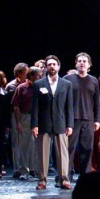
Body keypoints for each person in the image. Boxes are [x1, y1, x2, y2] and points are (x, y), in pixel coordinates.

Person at [31, 55, 74, 190]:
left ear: (58, 66)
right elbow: (35, 107)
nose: (52, 66)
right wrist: (34, 125)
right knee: (43, 154)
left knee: (63, 153)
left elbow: (69, 106)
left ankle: (64, 180)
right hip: (44, 123)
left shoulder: (66, 84)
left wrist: (70, 124)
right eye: (49, 64)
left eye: (54, 64)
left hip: (61, 122)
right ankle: (42, 180)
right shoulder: (38, 84)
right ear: (46, 67)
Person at [64, 52, 100, 180]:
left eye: (84, 61)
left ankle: (85, 176)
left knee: (87, 149)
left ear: (89, 65)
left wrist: (97, 120)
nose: (82, 63)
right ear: (76, 63)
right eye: (79, 61)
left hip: (88, 119)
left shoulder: (94, 80)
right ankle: (65, 175)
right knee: (69, 148)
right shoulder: (68, 79)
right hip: (72, 119)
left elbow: (97, 102)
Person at [11, 66, 42, 180]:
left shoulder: (42, 87)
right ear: (31, 76)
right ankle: (24, 171)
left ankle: (36, 170)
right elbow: (16, 106)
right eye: (38, 75)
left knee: (37, 145)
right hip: (25, 117)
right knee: (24, 145)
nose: (40, 77)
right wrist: (18, 122)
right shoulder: (21, 88)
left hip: (38, 118)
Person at [6, 62, 28, 179]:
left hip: (26, 115)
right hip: (15, 115)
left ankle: (27, 167)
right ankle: (17, 168)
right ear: (19, 73)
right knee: (16, 142)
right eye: (25, 72)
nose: (27, 74)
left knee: (27, 142)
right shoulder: (12, 86)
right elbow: (12, 105)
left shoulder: (28, 84)